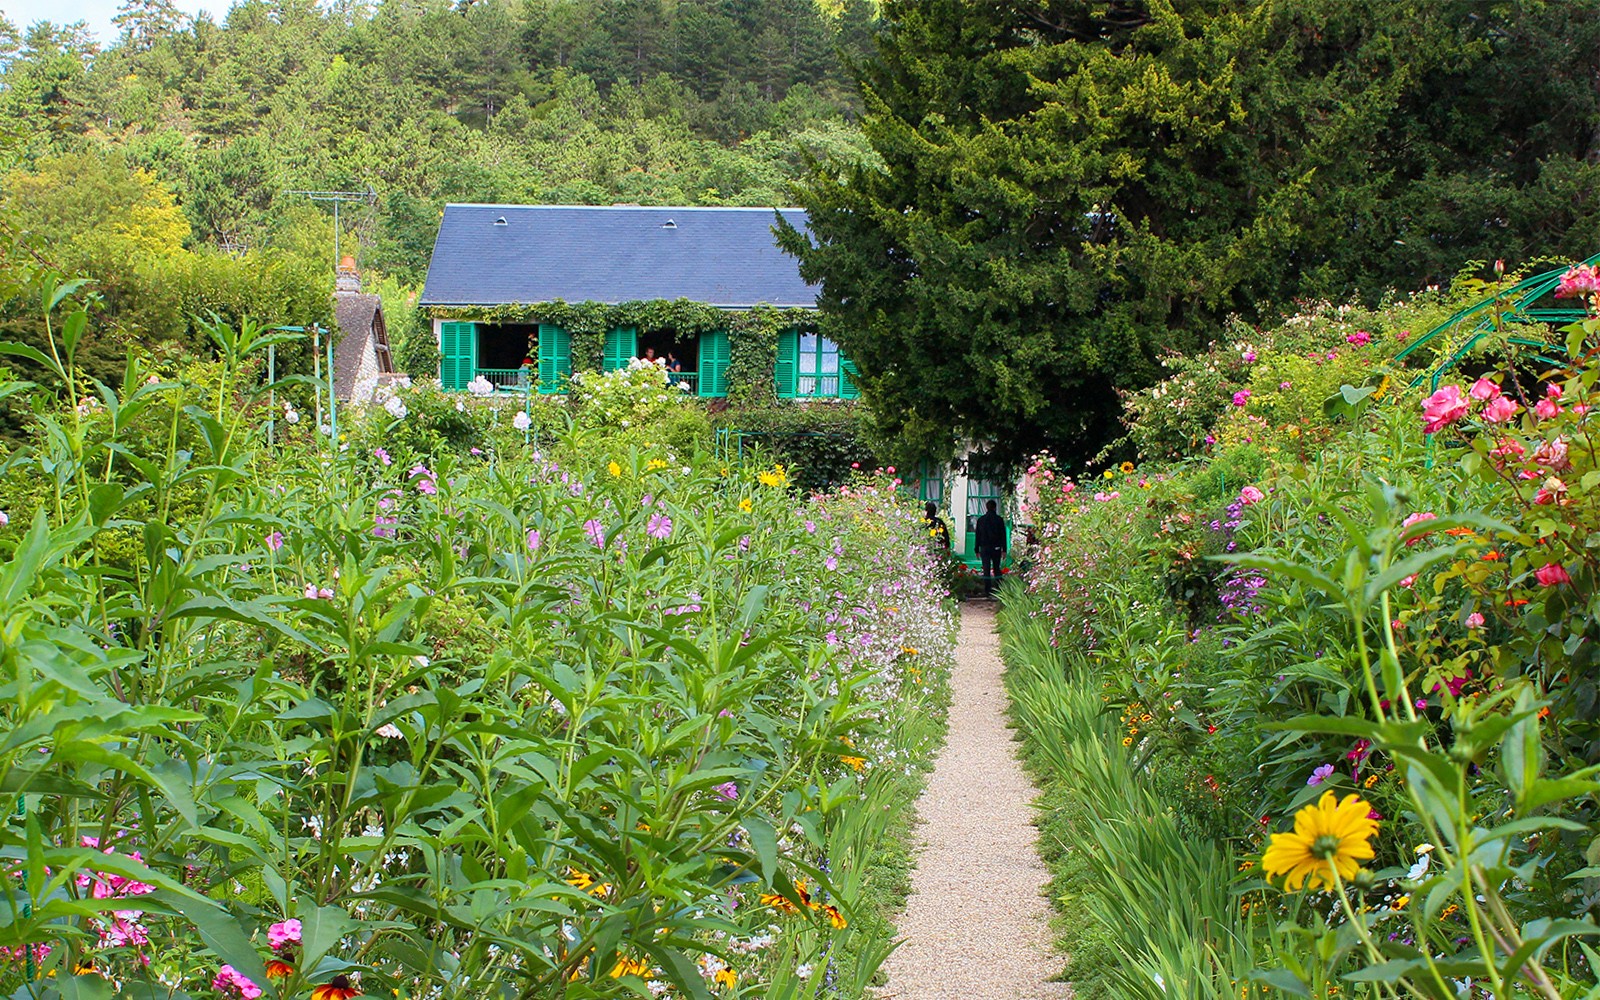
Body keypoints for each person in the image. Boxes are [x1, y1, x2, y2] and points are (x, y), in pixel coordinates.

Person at [974, 499, 1007, 597]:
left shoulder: (981, 520)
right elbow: (1003, 535)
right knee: (997, 568)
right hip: (996, 547)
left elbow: (978, 536)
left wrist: (976, 549)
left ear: (986, 507)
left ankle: (987, 590)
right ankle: (999, 588)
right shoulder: (999, 520)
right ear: (995, 507)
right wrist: (1004, 549)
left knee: (986, 569)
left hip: (984, 547)